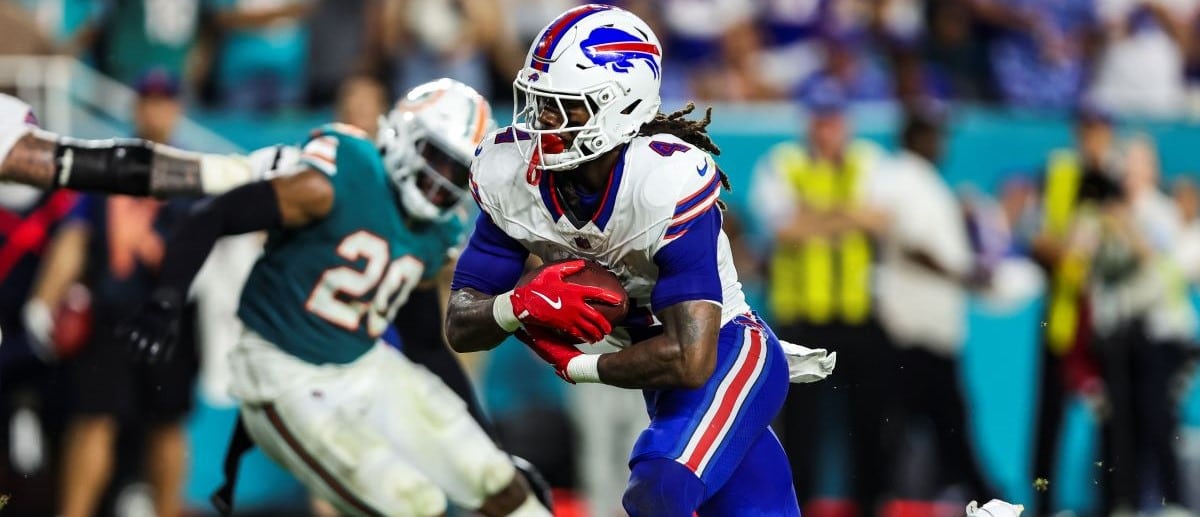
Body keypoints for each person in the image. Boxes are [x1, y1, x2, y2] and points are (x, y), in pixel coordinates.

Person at [445, 5, 833, 516]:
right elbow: (460, 322)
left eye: (566, 108)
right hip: (656, 372)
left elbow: (690, 361)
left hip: (727, 354)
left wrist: (578, 365)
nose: (543, 124)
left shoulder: (663, 181)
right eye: (539, 105)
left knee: (659, 488)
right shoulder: (510, 176)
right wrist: (513, 306)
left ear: (620, 107)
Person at [109, 78, 548, 517]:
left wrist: (494, 448)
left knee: (503, 485)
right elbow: (216, 213)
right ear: (403, 136)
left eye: (456, 171)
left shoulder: (438, 231)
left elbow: (425, 345)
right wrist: (167, 297)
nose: (440, 182)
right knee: (415, 506)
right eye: (436, 159)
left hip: (362, 364)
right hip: (283, 370)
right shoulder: (345, 173)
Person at [27, 71, 198, 517]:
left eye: (165, 101)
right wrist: (42, 301)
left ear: (177, 108)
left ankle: (166, 509)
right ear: (135, 106)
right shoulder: (107, 169)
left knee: (167, 426)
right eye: (149, 101)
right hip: (113, 312)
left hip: (171, 315)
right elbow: (74, 237)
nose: (156, 111)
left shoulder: (197, 174)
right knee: (92, 422)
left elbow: (219, 244)